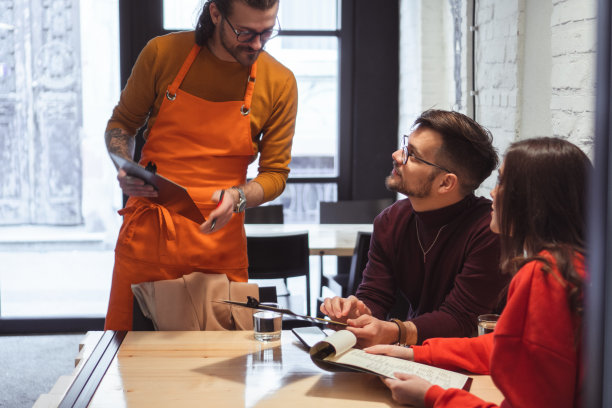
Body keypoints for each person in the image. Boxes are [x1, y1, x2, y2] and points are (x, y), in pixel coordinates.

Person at [104, 0, 297, 330]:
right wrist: (124, 165)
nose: (257, 44)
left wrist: (238, 197)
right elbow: (122, 124)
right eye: (246, 32)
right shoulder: (162, 54)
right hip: (150, 239)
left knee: (223, 371)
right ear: (216, 13)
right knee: (131, 364)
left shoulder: (279, 81)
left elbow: (275, 174)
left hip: (220, 246)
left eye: (267, 31)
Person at [366, 137, 589, 408]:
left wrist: (432, 397)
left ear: (536, 200)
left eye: (503, 183)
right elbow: (500, 345)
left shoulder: (545, 276)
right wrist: (415, 354)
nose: (493, 193)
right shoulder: (577, 265)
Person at [320, 109, 510, 347]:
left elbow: (461, 319)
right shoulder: (390, 221)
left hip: (476, 359)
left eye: (413, 155)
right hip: (416, 354)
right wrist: (357, 312)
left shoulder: (489, 231)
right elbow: (376, 295)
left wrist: (394, 331)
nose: (397, 156)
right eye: (404, 146)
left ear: (445, 183)